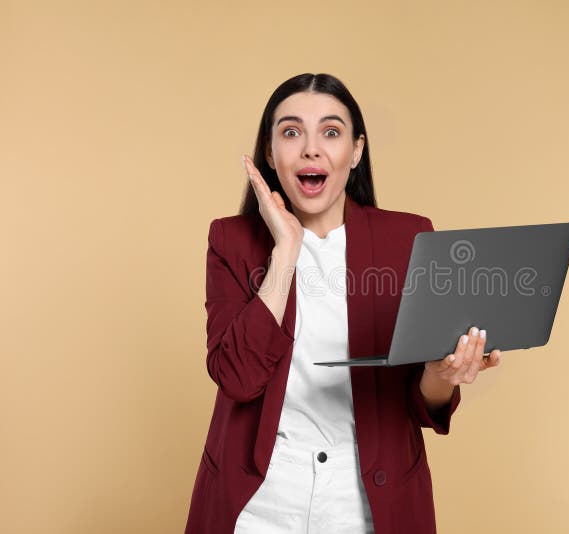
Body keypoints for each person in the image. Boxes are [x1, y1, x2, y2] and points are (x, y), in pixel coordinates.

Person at [184, 73, 501, 534]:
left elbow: (421, 399)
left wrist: (441, 375)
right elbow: (238, 377)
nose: (312, 149)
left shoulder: (408, 238)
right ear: (271, 154)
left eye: (331, 132)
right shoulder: (230, 241)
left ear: (355, 151)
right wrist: (286, 250)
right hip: (260, 504)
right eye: (291, 132)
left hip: (368, 503)